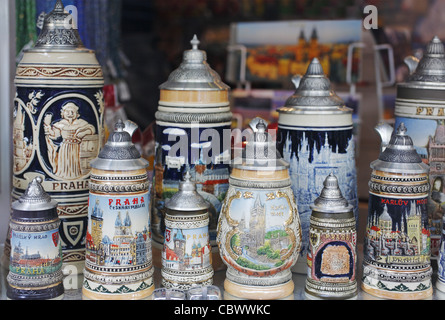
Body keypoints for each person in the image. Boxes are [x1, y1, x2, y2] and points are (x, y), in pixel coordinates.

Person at [44, 102, 95, 179]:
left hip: (76, 146)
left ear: (77, 114)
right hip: (65, 147)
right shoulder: (60, 124)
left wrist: (83, 133)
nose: (70, 114)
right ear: (63, 113)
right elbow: (55, 135)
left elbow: (91, 129)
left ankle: (75, 175)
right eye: (67, 112)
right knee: (65, 162)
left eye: (72, 112)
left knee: (74, 162)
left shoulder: (80, 123)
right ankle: (63, 174)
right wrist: (48, 128)